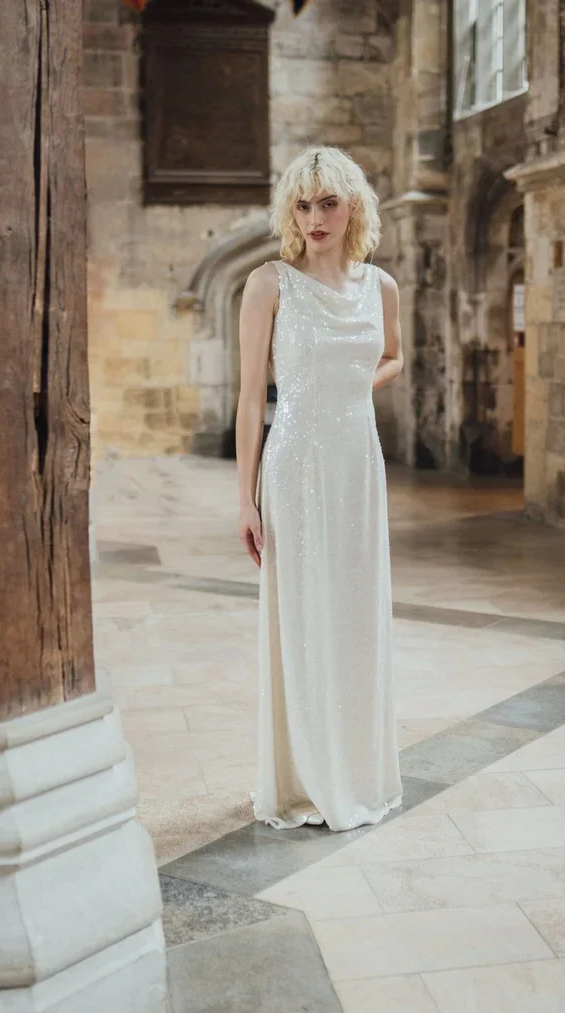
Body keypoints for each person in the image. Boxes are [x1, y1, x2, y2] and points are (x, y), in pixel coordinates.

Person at [235, 146, 404, 832]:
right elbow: (250, 397)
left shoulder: (380, 286)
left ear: (353, 206)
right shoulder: (268, 283)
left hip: (357, 464)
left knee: (356, 614)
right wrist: (243, 498)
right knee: (304, 616)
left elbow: (394, 355)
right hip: (296, 464)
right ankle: (306, 776)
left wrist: (350, 386)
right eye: (303, 205)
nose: (315, 218)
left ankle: (356, 770)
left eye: (328, 203)